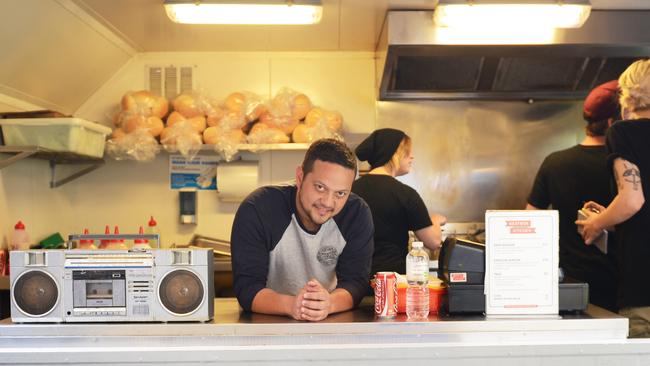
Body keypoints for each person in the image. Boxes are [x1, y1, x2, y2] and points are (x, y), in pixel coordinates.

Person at [231, 138, 374, 322]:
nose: (328, 202)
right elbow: (247, 288)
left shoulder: (356, 214)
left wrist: (328, 304)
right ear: (300, 177)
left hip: (329, 324)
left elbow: (356, 283)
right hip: (267, 327)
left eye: (340, 193)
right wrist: (292, 305)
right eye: (320, 187)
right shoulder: (259, 209)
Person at [526, 80, 620, 312]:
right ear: (612, 122)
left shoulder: (555, 162)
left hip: (570, 280)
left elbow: (531, 219)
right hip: (620, 282)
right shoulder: (624, 164)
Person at [577, 59, 650, 337]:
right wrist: (609, 216)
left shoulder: (625, 131)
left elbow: (632, 200)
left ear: (627, 94)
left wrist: (595, 225)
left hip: (644, 292)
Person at [352, 128, 445, 276]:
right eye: (407, 152)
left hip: (354, 280)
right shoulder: (405, 194)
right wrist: (435, 220)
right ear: (393, 154)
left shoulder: (350, 190)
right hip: (392, 282)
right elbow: (433, 242)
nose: (412, 157)